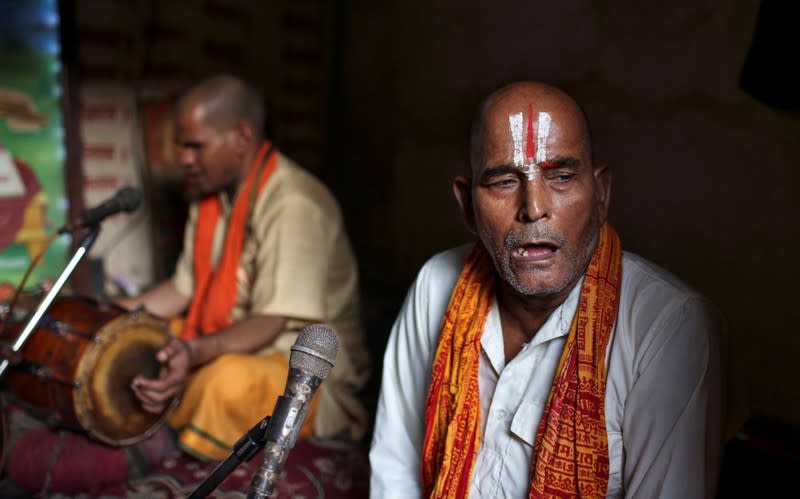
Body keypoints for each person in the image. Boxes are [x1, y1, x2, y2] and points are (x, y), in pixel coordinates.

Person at [4, 74, 370, 493]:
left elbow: (268, 324)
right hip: (227, 335)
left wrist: (193, 352)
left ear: (242, 137)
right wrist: (96, 311)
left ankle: (155, 443)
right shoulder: (212, 197)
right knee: (151, 340)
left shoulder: (295, 204)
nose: (185, 158)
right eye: (182, 145)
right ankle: (154, 424)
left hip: (295, 366)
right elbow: (183, 290)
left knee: (222, 380)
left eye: (196, 145)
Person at [369, 81, 724, 498]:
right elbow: (396, 471)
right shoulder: (437, 285)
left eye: (561, 177)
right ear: (467, 206)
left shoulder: (665, 325)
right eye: (504, 181)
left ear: (601, 194)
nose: (534, 207)